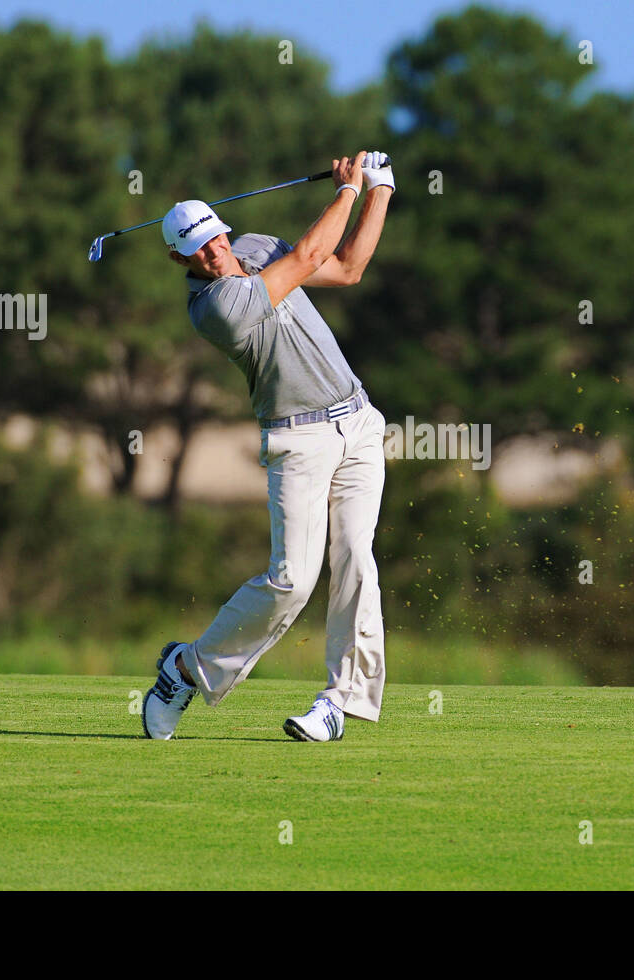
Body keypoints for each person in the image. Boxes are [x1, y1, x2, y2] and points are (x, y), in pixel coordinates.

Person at [143, 150, 395, 742]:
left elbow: (347, 268)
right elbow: (308, 255)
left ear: (224, 229)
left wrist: (381, 189)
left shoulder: (256, 245)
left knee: (357, 559)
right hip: (297, 439)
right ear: (179, 258)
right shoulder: (214, 309)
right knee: (292, 581)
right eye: (199, 249)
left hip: (357, 421)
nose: (215, 251)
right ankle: (186, 669)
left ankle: (340, 702)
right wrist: (347, 191)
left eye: (216, 237)